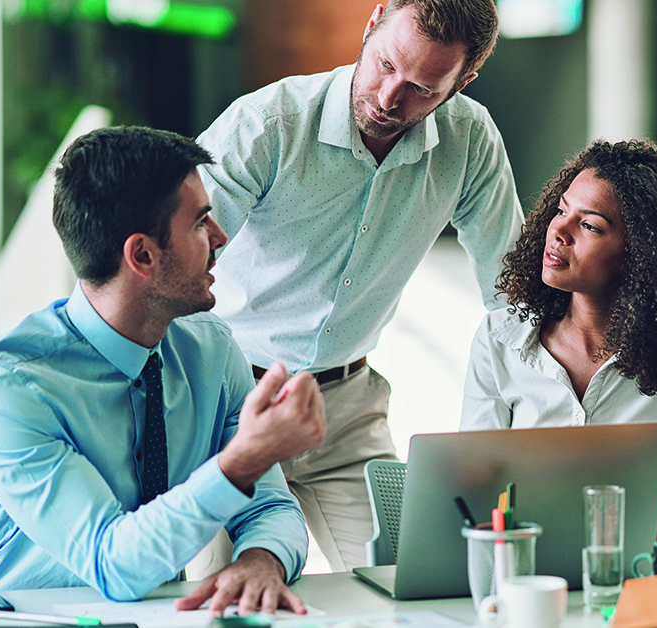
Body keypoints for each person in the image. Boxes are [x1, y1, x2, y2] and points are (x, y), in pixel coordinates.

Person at [195, 0, 523, 572]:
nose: (390, 97)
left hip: (346, 415)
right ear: (371, 25)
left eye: (423, 88)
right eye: (386, 64)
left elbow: (513, 295)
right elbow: (170, 262)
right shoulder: (267, 124)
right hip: (225, 405)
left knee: (410, 585)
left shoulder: (470, 142)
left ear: (463, 82)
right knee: (215, 598)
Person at [0, 127, 327, 616]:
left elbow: (271, 507)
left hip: (152, 618)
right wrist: (242, 461)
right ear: (142, 256)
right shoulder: (6, 387)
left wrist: (261, 559)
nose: (221, 237)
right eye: (200, 222)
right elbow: (112, 565)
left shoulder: (211, 350)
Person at [461, 139, 657, 541]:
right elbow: (469, 492)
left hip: (629, 577)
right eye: (561, 210)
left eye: (590, 225)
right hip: (520, 576)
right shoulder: (499, 339)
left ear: (642, 255)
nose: (558, 230)